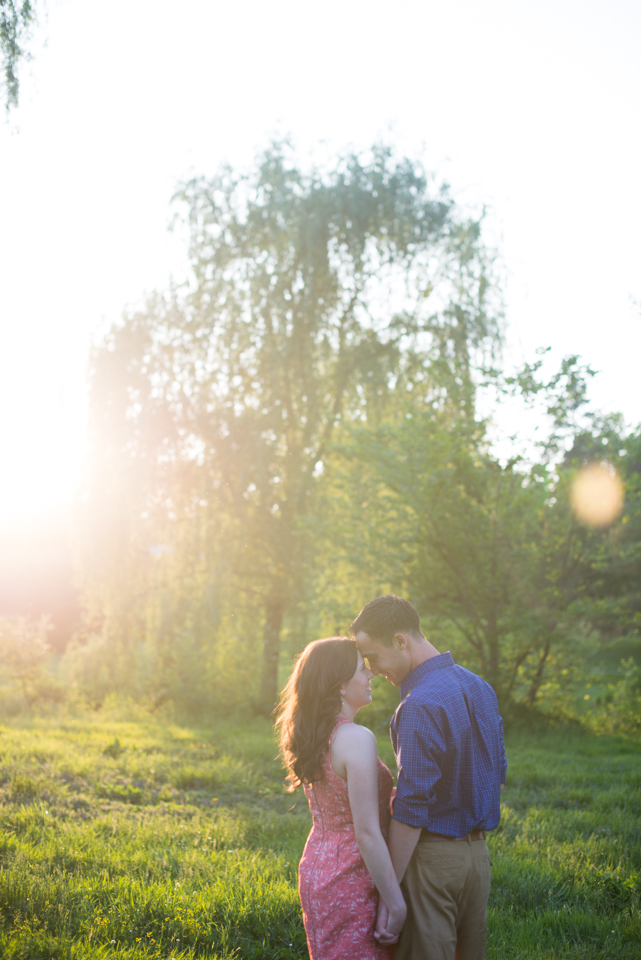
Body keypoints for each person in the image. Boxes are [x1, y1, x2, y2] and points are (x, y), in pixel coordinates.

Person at [350, 595, 507, 960]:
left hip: (432, 860)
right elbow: (495, 778)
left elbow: (412, 806)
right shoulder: (480, 687)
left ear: (401, 641)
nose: (371, 669)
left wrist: (390, 894)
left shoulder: (420, 703)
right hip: (478, 861)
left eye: (372, 655)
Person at [276, 636, 407, 960]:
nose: (371, 674)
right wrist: (396, 902)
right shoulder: (355, 739)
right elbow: (365, 831)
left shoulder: (317, 734)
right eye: (362, 669)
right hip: (353, 873)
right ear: (340, 686)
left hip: (318, 866)